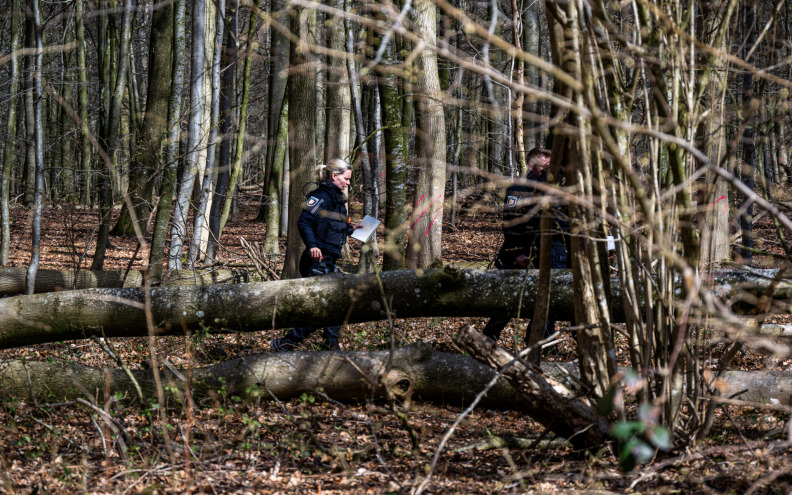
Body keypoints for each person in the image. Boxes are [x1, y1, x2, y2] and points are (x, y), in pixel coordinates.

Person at [271, 158, 361, 352]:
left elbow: (333, 228)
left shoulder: (338, 200)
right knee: (328, 306)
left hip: (329, 261)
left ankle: (329, 345)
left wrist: (351, 229)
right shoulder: (320, 196)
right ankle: (288, 342)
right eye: (346, 179)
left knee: (339, 303)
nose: (348, 183)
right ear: (334, 176)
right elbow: (304, 221)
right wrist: (312, 246)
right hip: (316, 261)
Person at [482, 147, 571, 342]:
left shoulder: (558, 186)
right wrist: (519, 252)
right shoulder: (518, 188)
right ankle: (489, 335)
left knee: (551, 295)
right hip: (523, 251)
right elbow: (512, 223)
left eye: (550, 158)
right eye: (544, 158)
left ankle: (540, 341)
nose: (549, 161)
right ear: (532, 162)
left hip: (554, 250)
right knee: (514, 296)